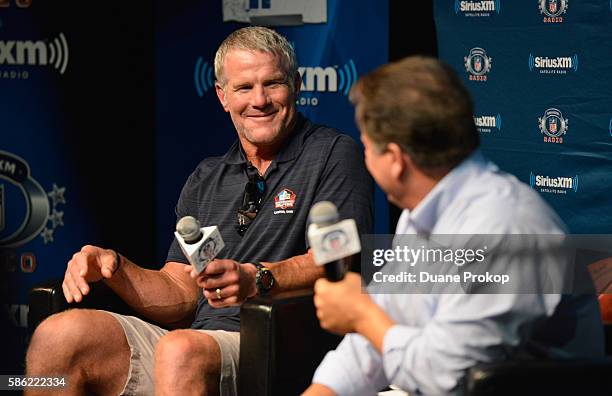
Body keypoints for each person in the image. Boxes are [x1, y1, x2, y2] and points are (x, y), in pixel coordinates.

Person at [26, 27, 372, 396]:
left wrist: (258, 278)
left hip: (279, 345)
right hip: (195, 344)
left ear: (297, 85)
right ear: (223, 96)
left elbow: (342, 256)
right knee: (57, 336)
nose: (260, 100)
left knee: (181, 348)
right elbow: (181, 290)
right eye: (243, 88)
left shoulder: (333, 153)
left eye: (273, 83)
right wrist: (115, 267)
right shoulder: (207, 177)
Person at [303, 56, 604, 396]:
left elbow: (450, 377)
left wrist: (361, 315)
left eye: (367, 146)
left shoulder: (505, 227)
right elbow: (376, 342)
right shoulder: (418, 215)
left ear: (396, 160)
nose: (364, 157)